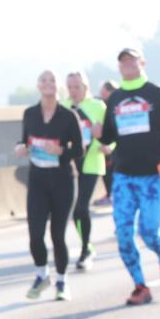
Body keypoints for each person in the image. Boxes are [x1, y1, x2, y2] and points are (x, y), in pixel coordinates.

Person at [97, 48, 160, 306]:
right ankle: (140, 286)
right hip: (124, 177)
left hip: (154, 176)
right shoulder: (115, 99)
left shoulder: (157, 93)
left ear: (142, 62)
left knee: (149, 232)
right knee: (124, 235)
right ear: (119, 68)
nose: (128, 64)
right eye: (123, 61)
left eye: (132, 60)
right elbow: (108, 136)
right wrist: (99, 133)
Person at [14, 70, 82, 301]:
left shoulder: (68, 116)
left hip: (62, 180)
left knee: (57, 235)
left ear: (57, 86)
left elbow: (79, 149)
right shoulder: (30, 114)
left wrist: (62, 151)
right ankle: (42, 274)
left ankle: (61, 281)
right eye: (43, 80)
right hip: (38, 180)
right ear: (38, 86)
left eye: (52, 80)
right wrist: (20, 148)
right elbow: (24, 140)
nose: (48, 83)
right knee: (35, 234)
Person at [63, 71, 111, 270]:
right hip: (71, 165)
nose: (74, 91)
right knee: (75, 211)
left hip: (92, 162)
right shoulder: (63, 107)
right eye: (70, 87)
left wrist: (109, 146)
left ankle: (85, 250)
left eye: (78, 87)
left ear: (86, 87)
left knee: (82, 207)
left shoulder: (98, 106)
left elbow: (111, 131)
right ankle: (87, 244)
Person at [95, 80, 119, 206]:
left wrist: (110, 147)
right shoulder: (100, 104)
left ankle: (112, 194)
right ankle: (109, 193)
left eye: (102, 90)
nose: (100, 92)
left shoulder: (115, 104)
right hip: (102, 144)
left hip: (113, 148)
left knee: (111, 172)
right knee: (105, 173)